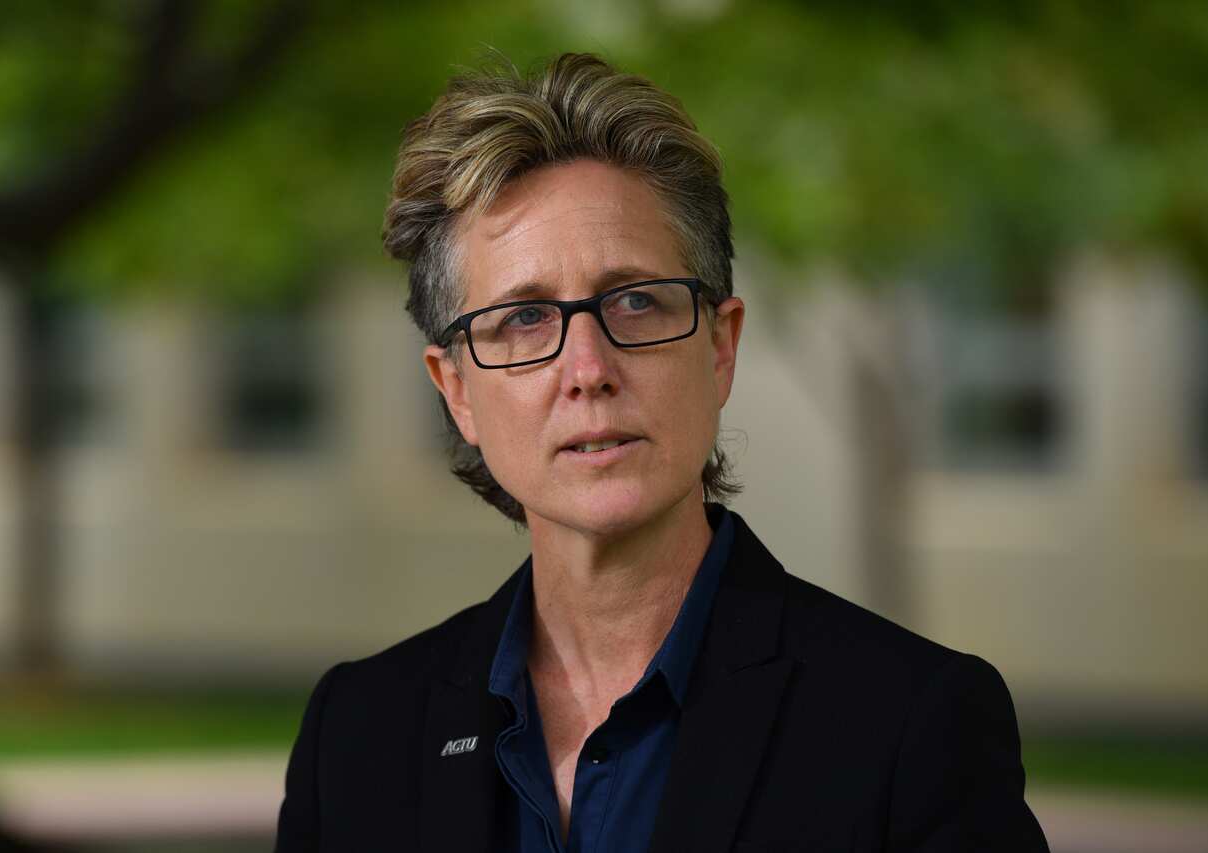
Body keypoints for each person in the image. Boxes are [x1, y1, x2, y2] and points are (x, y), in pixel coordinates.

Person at [274, 52, 1049, 852]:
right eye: (524, 318)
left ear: (720, 349)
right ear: (457, 391)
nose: (588, 371)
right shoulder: (357, 738)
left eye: (637, 301)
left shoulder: (911, 726)